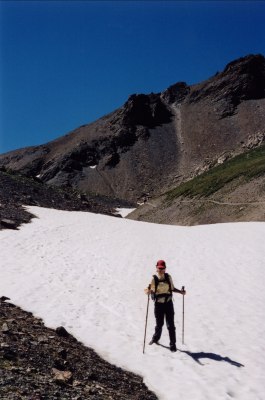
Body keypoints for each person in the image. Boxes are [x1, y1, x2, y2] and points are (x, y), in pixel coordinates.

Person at [145, 259, 186, 352]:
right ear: (156, 268)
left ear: (165, 269)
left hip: (168, 304)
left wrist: (181, 292)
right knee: (159, 324)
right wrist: (148, 291)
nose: (160, 270)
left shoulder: (168, 277)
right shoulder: (154, 279)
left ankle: (173, 345)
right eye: (159, 268)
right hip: (158, 305)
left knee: (170, 325)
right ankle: (155, 338)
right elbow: (151, 290)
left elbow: (172, 288)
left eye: (162, 268)